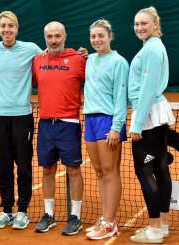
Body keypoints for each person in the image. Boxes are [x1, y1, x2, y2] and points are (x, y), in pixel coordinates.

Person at [0, 11, 42, 230]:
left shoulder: (31, 49)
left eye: (11, 26)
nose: (7, 30)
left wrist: (76, 54)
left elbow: (51, 55)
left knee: (23, 166)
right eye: (3, 26)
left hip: (21, 116)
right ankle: (7, 209)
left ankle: (23, 211)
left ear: (17, 29)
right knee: (3, 166)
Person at [32, 21, 86, 236]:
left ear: (65, 36)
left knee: (73, 170)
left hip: (69, 124)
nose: (53, 40)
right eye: (49, 37)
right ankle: (49, 215)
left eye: (57, 36)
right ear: (45, 38)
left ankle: (76, 216)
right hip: (45, 123)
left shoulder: (79, 59)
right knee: (47, 170)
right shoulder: (37, 60)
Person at [128, 6, 175, 244]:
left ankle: (155, 229)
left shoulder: (153, 49)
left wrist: (136, 124)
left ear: (155, 25)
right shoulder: (152, 47)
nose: (139, 28)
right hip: (153, 115)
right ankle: (162, 225)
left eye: (144, 23)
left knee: (145, 172)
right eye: (136, 24)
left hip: (148, 118)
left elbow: (147, 90)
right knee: (159, 170)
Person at [82, 19, 128, 240]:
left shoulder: (119, 62)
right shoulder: (89, 59)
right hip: (89, 119)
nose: (97, 40)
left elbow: (121, 98)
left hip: (108, 121)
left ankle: (110, 223)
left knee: (110, 172)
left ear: (110, 36)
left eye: (101, 36)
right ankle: (105, 218)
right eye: (93, 36)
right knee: (99, 172)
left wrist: (116, 127)